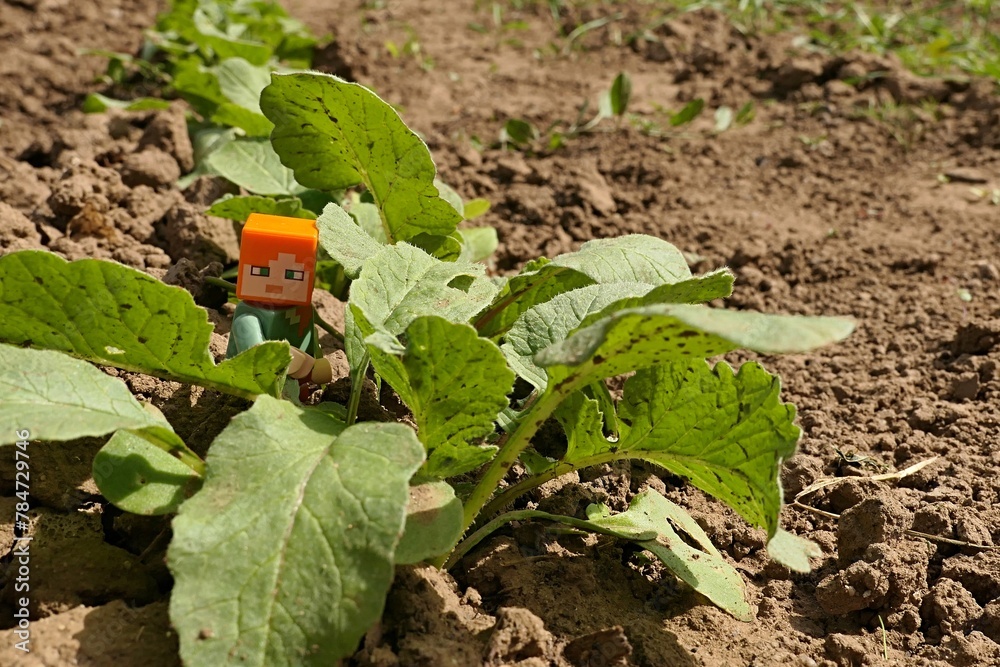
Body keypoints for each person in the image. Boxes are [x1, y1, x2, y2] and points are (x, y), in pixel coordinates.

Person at [225, 213, 333, 392]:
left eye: (293, 275)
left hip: (292, 388)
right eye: (260, 271)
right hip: (248, 386)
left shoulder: (301, 309)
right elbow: (256, 354)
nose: (275, 283)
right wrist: (305, 365)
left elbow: (307, 339)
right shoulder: (248, 316)